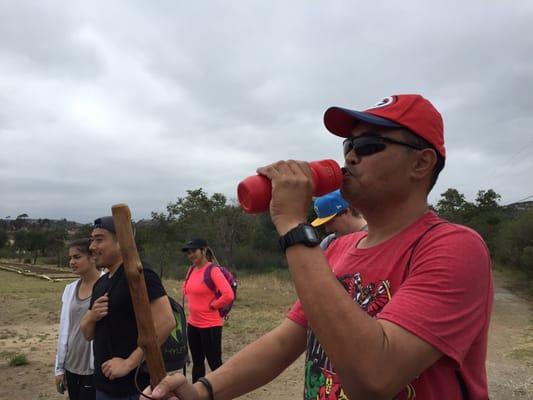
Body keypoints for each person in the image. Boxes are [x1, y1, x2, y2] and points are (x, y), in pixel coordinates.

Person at [144, 94, 494, 399]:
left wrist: (294, 228)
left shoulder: (453, 247)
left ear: (421, 163)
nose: (351, 157)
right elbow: (283, 343)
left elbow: (375, 376)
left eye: (369, 145)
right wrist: (204, 391)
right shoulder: (338, 249)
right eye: (348, 146)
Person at [80, 216, 175, 400]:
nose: (92, 246)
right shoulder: (100, 283)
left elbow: (166, 322)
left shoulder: (139, 275)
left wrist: (129, 363)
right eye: (92, 240)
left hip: (135, 388)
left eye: (99, 239)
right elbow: (88, 334)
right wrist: (91, 316)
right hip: (103, 386)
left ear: (121, 241)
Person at [182, 238, 235, 383]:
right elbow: (187, 290)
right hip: (193, 324)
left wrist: (213, 305)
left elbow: (228, 295)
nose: (191, 255)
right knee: (197, 363)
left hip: (210, 325)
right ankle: (196, 394)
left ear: (204, 250)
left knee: (215, 364)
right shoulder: (191, 269)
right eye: (189, 252)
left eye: (194, 251)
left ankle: (224, 391)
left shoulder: (213, 271)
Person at [55, 238, 101, 400]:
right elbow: (64, 330)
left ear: (92, 257)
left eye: (77, 257)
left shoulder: (107, 285)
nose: (72, 262)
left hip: (94, 365)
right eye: (70, 258)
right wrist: (59, 369)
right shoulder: (69, 289)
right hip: (71, 362)